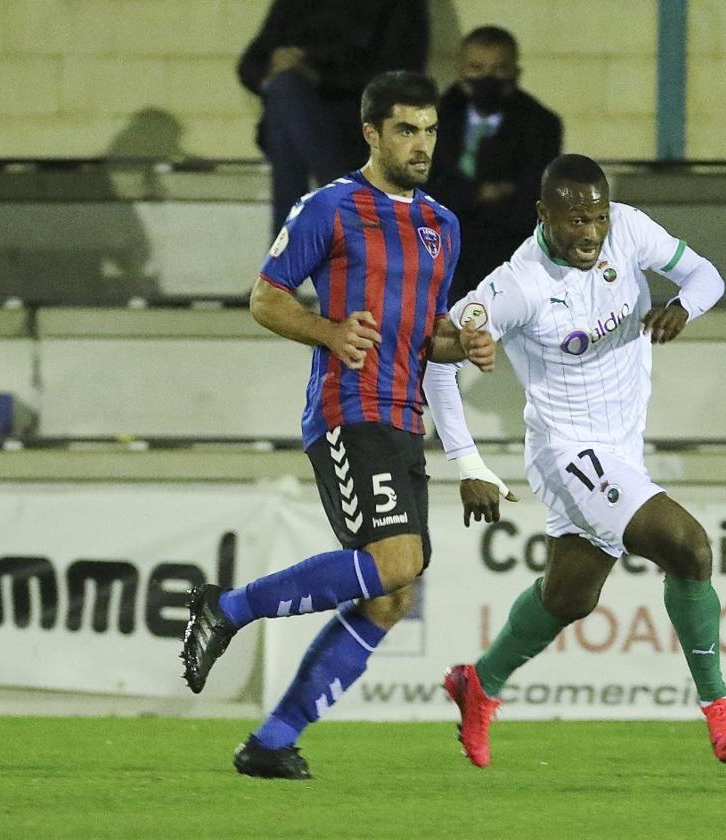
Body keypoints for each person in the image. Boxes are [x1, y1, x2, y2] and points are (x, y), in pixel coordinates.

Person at [180, 71, 503, 780]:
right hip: (346, 410)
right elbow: (265, 299)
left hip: (401, 418)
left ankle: (270, 743)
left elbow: (424, 334)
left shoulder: (441, 226)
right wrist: (326, 331)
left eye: (429, 131)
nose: (421, 145)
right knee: (396, 564)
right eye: (406, 130)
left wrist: (463, 344)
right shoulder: (330, 207)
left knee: (393, 593)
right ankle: (226, 608)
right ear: (372, 133)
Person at [422, 154, 726, 767]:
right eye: (576, 220)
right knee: (690, 548)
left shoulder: (628, 230)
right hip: (567, 451)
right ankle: (720, 709)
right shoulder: (514, 286)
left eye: (597, 217)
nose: (591, 233)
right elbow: (439, 358)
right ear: (544, 215)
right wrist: (467, 462)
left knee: (570, 597)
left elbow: (707, 275)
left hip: (622, 449)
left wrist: (684, 307)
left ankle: (479, 683)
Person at [237, 0, 430, 234]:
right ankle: (348, 203)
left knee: (285, 103)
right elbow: (250, 64)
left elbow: (398, 75)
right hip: (299, 120)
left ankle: (287, 249)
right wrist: (277, 69)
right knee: (285, 91)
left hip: (357, 121)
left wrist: (317, 76)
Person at [427, 26, 563, 306]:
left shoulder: (541, 124)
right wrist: (479, 194)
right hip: (440, 242)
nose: (486, 78)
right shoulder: (432, 119)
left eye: (498, 69)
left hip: (505, 245)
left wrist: (463, 196)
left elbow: (529, 194)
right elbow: (426, 186)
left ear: (515, 72)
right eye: (476, 67)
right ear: (460, 70)